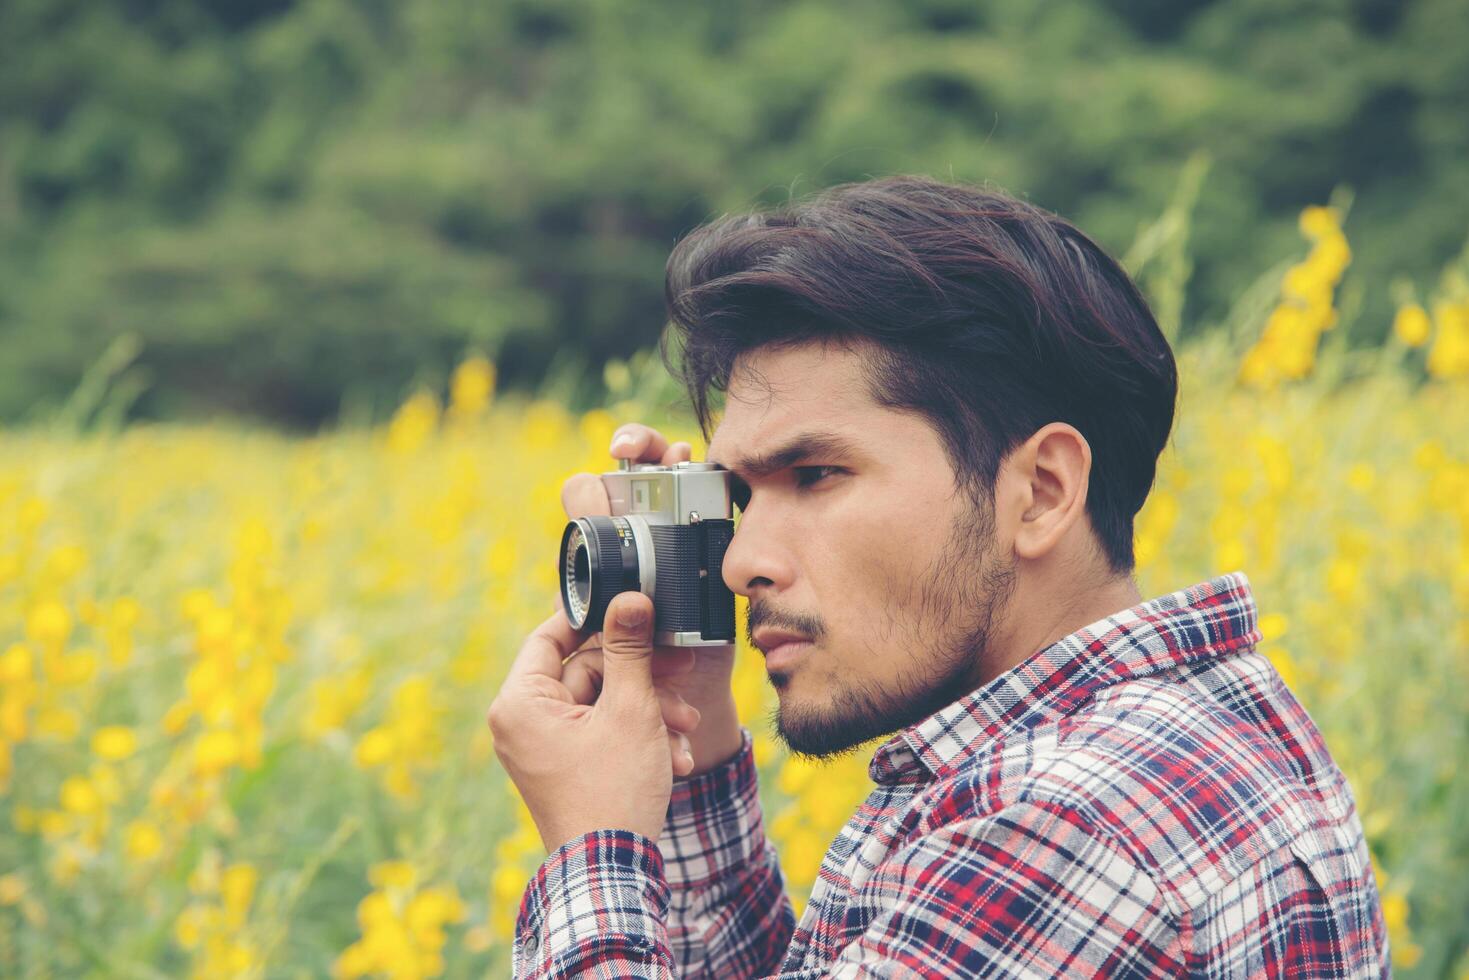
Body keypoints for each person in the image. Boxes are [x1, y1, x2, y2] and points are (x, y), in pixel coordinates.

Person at [488, 175, 1390, 977]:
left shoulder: (1068, 828)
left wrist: (595, 851)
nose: (738, 561)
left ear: (1038, 492)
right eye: (737, 497)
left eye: (815, 476)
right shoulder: (1165, 732)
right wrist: (693, 735)